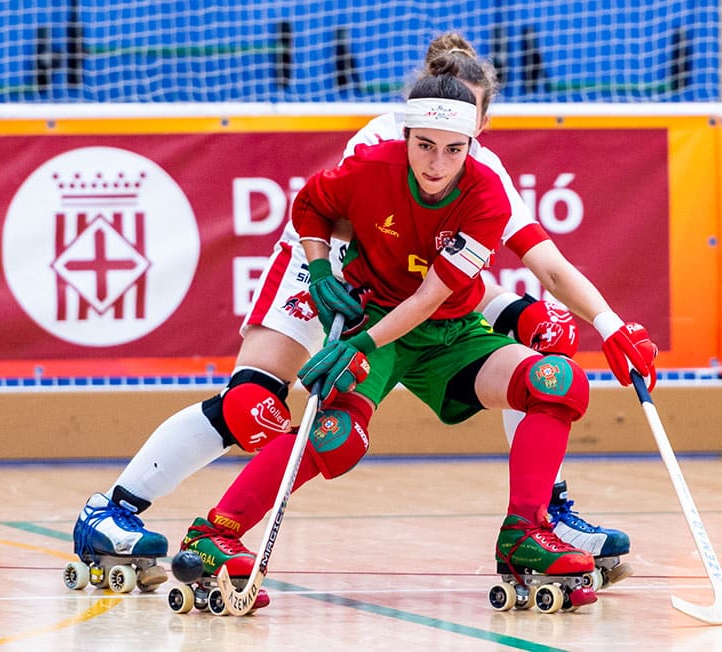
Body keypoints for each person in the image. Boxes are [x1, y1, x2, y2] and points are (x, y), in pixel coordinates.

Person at [71, 34, 655, 596]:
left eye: (462, 131)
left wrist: (600, 323)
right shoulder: (380, 149)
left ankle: (540, 516)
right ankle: (114, 510)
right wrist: (329, 284)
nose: (440, 152)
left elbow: (469, 274)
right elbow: (349, 232)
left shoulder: (485, 178)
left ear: (481, 123)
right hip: (328, 261)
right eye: (428, 137)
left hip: (414, 301)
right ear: (413, 118)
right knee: (254, 407)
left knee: (546, 355)